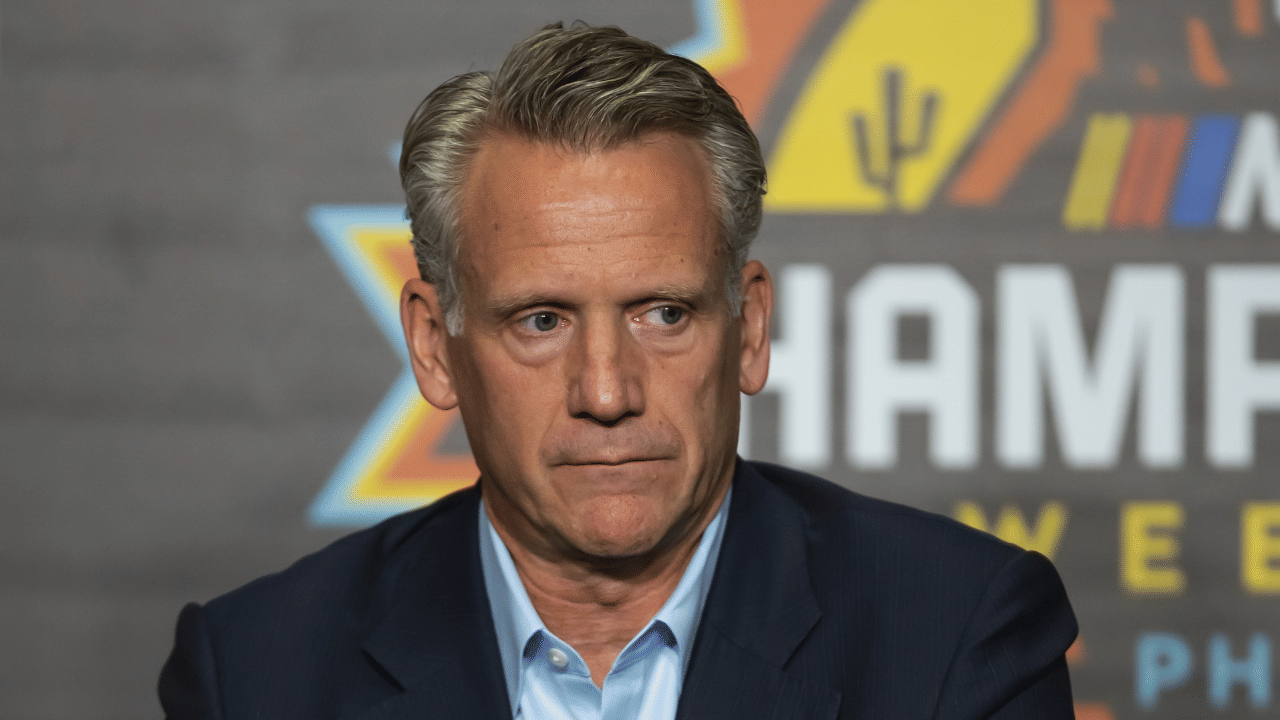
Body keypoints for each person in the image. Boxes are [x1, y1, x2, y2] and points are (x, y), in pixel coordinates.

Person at [159, 22, 1077, 720]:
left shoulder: (959, 636)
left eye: (664, 313)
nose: (607, 391)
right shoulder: (254, 674)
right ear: (436, 347)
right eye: (542, 320)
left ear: (749, 329)